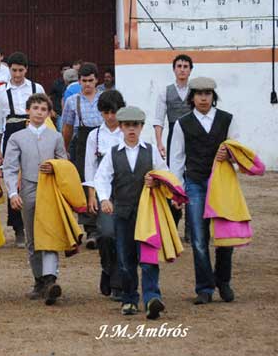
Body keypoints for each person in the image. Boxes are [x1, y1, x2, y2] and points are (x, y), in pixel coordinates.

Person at [170, 77, 240, 305]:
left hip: (221, 184)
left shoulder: (227, 119)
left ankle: (224, 281)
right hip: (195, 182)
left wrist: (229, 155)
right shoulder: (182, 123)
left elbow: (238, 151)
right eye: (199, 94)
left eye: (207, 93)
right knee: (199, 239)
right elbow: (177, 159)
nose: (203, 98)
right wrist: (177, 191)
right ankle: (204, 287)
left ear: (213, 96)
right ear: (192, 97)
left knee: (224, 236)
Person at [94, 106, 169, 319]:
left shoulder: (152, 150)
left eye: (135, 125)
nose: (132, 130)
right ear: (121, 128)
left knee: (148, 257)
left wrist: (156, 180)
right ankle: (129, 298)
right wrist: (105, 198)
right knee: (126, 259)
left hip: (147, 213)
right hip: (123, 213)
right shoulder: (113, 153)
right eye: (127, 126)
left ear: (141, 127)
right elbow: (102, 178)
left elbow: (165, 173)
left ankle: (152, 297)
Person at [3, 93, 67, 304]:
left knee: (49, 233)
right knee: (32, 236)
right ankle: (40, 279)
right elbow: (10, 168)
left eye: (43, 109)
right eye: (36, 108)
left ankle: (50, 280)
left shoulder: (55, 137)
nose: (39, 112)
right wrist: (13, 192)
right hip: (28, 187)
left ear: (49, 113)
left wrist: (55, 167)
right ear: (28, 111)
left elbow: (64, 164)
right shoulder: (17, 137)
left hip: (50, 189)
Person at [0, 51, 45, 248]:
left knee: (33, 176)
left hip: (32, 131)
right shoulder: (0, 92)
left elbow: (43, 114)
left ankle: (36, 225)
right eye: (14, 70)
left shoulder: (36, 87)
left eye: (20, 70)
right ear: (9, 69)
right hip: (11, 132)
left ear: (26, 69)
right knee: (13, 178)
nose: (17, 74)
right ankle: (18, 228)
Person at [83, 90, 125, 301]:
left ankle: (117, 281)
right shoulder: (95, 135)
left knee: (123, 236)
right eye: (106, 112)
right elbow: (90, 168)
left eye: (114, 112)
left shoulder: (128, 131)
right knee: (107, 234)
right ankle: (107, 268)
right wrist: (91, 195)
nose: (111, 116)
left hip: (126, 190)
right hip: (103, 191)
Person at [62, 62, 104, 248]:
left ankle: (105, 223)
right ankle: (90, 228)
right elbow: (68, 127)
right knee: (85, 182)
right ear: (79, 81)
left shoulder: (105, 99)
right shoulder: (73, 101)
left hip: (104, 139)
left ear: (97, 81)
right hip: (83, 141)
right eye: (84, 81)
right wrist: (64, 149)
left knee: (105, 180)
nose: (87, 84)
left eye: (91, 81)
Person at [153, 54, 193, 235]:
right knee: (173, 181)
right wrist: (160, 142)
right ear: (174, 69)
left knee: (193, 178)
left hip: (194, 138)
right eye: (179, 66)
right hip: (173, 138)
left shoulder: (197, 90)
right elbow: (158, 119)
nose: (182, 69)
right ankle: (172, 227)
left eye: (186, 66)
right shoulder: (165, 91)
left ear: (190, 69)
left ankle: (192, 229)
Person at [49, 63, 69, 128]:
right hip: (60, 113)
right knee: (61, 133)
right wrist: (51, 110)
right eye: (64, 69)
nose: (66, 71)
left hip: (72, 113)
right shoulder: (56, 83)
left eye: (68, 69)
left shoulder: (75, 83)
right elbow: (49, 97)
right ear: (61, 71)